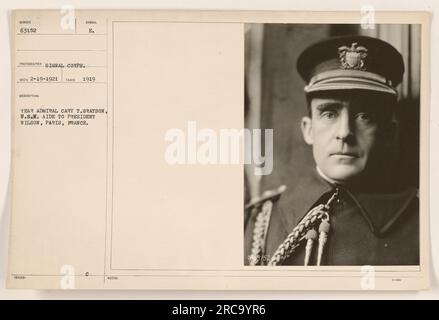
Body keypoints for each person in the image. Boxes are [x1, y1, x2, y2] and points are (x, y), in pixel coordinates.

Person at [244, 35, 419, 266]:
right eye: (329, 113)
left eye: (365, 116)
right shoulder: (262, 220)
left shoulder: (421, 223)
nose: (345, 132)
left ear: (389, 133)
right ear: (308, 130)